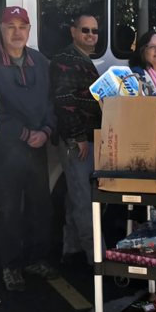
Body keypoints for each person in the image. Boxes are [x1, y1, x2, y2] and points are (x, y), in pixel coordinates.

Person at [0, 6, 59, 292]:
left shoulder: (40, 61)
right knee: (9, 209)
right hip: (4, 149)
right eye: (10, 26)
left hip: (37, 146)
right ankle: (11, 266)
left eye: (22, 26)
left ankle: (36, 259)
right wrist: (25, 133)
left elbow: (53, 102)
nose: (17, 32)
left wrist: (47, 131)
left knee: (42, 206)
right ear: (1, 29)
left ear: (29, 30)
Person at [50, 14, 102, 268]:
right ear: (73, 31)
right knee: (87, 200)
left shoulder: (84, 60)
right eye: (85, 30)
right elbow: (63, 100)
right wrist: (78, 137)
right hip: (77, 141)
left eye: (94, 30)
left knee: (76, 196)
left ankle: (71, 249)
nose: (91, 34)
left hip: (90, 139)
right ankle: (98, 258)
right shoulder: (65, 60)